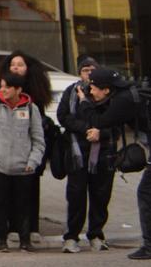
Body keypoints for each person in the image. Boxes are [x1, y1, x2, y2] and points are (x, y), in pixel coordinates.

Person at [59, 63, 133, 253]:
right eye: (86, 71)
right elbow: (63, 117)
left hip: (104, 151)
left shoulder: (110, 96)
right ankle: (71, 236)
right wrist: (86, 129)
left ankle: (96, 234)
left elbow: (116, 122)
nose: (90, 77)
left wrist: (101, 133)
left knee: (101, 195)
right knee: (76, 195)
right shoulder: (72, 92)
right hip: (78, 150)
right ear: (80, 73)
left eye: (93, 72)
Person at [0, 50, 54, 244]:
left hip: (28, 153)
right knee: (6, 194)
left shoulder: (35, 98)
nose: (16, 67)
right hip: (4, 154)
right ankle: (12, 228)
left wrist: (35, 156)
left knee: (31, 191)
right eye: (13, 64)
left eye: (20, 64)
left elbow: (38, 132)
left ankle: (32, 227)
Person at [0, 70, 45, 253]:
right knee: (2, 204)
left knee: (23, 205)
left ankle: (25, 240)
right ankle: (1, 240)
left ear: (18, 89)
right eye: (2, 86)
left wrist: (33, 161)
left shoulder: (31, 108)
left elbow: (38, 139)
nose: (3, 90)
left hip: (24, 167)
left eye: (8, 87)